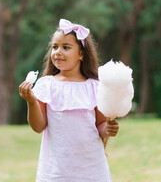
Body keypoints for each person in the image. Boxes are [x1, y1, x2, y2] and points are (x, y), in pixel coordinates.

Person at [19, 19, 119, 182]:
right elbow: (38, 127)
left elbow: (100, 125)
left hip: (91, 170)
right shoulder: (46, 85)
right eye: (55, 47)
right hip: (56, 172)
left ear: (81, 54)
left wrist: (108, 129)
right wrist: (31, 101)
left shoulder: (94, 87)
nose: (58, 51)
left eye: (66, 47)